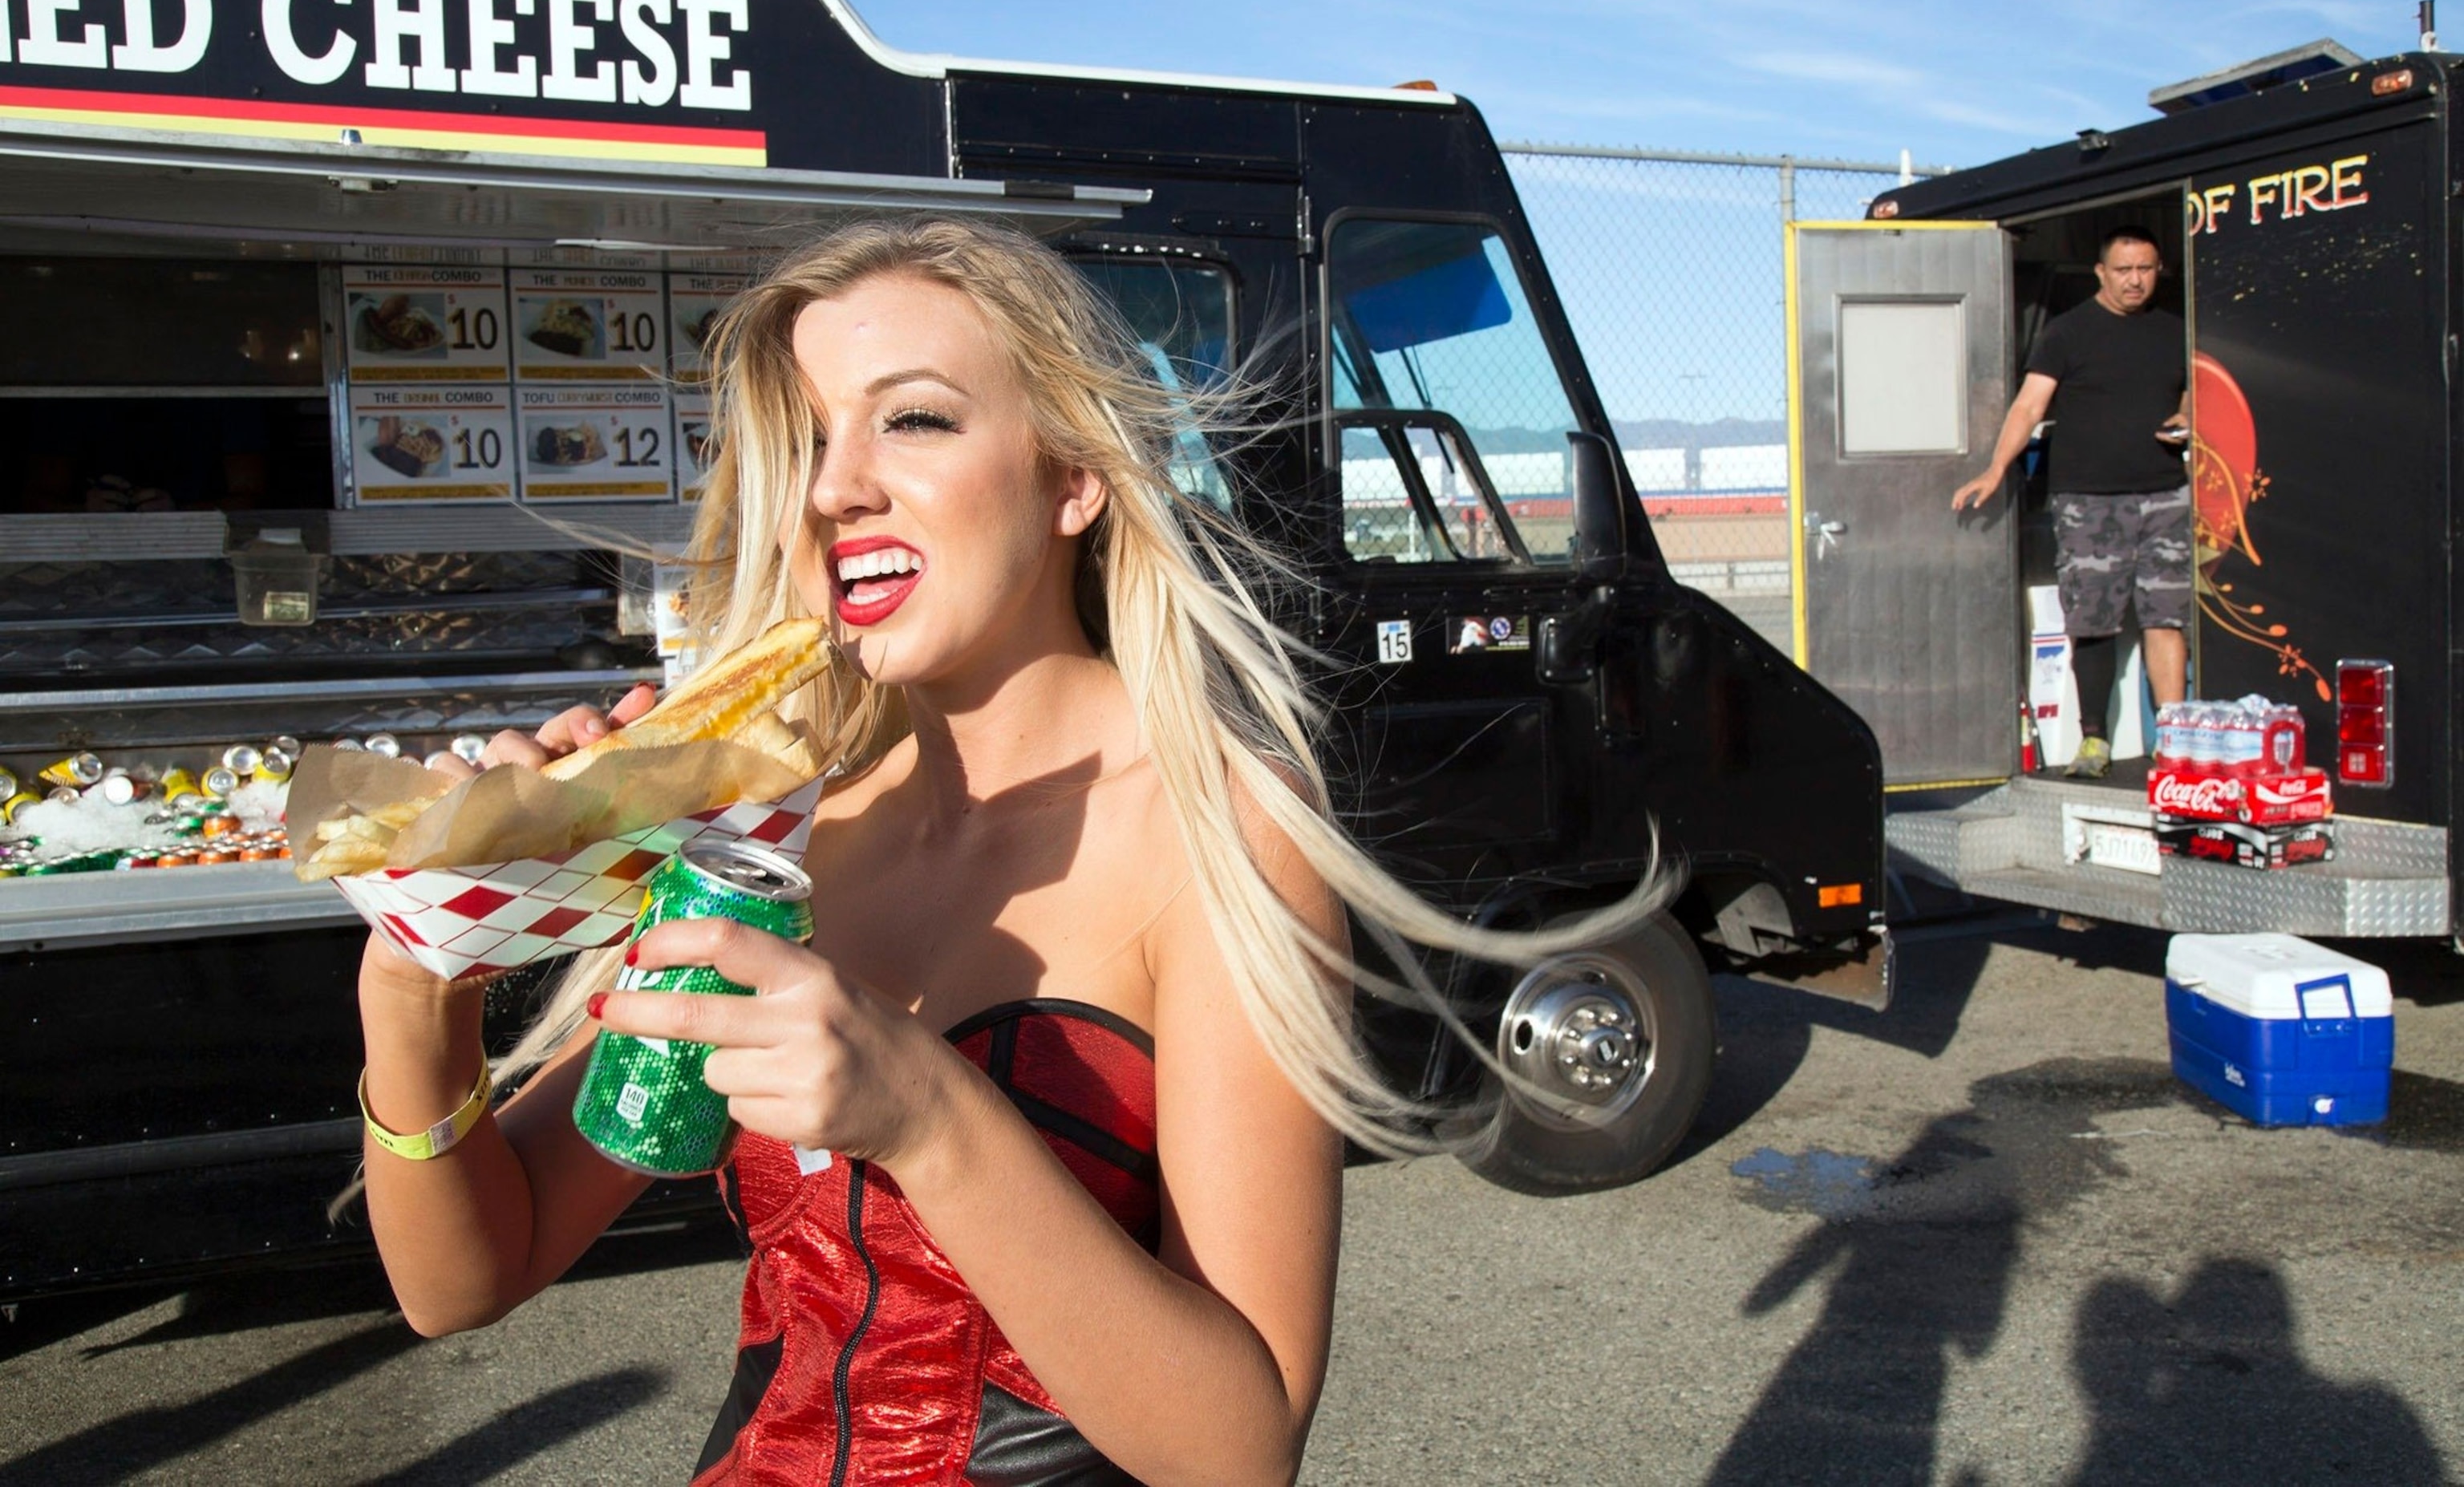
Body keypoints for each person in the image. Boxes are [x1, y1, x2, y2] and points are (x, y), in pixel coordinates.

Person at [355, 219, 1657, 1485]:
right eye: (804, 441)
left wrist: (929, 1117)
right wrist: (425, 972)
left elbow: (1239, 1446)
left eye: (911, 418)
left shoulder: (1220, 822)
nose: (830, 486)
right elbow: (466, 1278)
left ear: (1072, 475)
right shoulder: (788, 827)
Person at [1951, 225, 2190, 779]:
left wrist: (2188, 412)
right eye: (2125, 270)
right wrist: (1995, 470)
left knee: (2165, 619)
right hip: (2088, 501)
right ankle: (2094, 741)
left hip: (2165, 496)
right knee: (2094, 621)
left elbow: (2194, 388)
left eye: (2147, 269)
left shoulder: (2177, 330)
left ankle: (2175, 737)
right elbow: (2029, 406)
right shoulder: (2067, 332)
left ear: (2160, 272)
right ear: (2102, 273)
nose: (2136, 280)